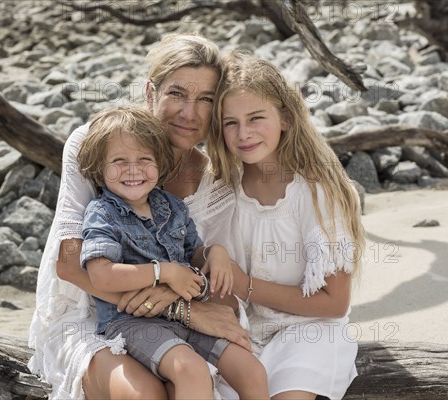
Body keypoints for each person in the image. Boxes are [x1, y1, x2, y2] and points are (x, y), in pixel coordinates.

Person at [28, 33, 251, 399]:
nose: (189, 113)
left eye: (205, 99)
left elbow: (213, 281)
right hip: (92, 312)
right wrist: (181, 307)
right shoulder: (94, 144)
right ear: (151, 92)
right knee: (146, 393)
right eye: (177, 93)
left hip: (175, 321)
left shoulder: (216, 179)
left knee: (226, 374)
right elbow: (69, 265)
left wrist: (214, 260)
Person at [78, 107, 269, 399]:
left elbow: (194, 254)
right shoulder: (103, 214)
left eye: (144, 159)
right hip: (132, 323)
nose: (133, 169)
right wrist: (163, 272)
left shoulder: (172, 207)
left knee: (252, 369)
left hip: (186, 313)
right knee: (191, 369)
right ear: (99, 168)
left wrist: (215, 253)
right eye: (119, 161)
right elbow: (101, 276)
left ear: (159, 163)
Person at [207, 53, 366, 399]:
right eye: (230, 122)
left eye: (255, 118)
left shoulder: (315, 191)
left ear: (286, 119)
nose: (243, 133)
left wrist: (244, 284)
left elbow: (334, 303)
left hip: (308, 332)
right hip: (244, 335)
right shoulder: (221, 192)